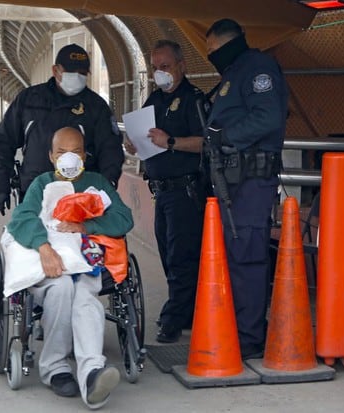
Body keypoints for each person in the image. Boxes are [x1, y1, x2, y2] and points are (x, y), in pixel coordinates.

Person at [6, 127, 133, 410]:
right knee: (63, 288)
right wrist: (44, 247)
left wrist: (86, 226)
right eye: (62, 152)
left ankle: (91, 375)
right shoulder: (41, 184)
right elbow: (22, 219)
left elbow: (123, 219)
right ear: (51, 156)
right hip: (49, 265)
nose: (68, 158)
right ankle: (55, 368)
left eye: (75, 151)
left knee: (85, 294)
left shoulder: (97, 183)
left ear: (84, 155)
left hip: (84, 263)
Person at [205, 19, 288, 359]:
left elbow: (268, 118)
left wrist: (226, 137)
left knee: (248, 255)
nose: (210, 57)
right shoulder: (235, 73)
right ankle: (239, 329)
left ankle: (249, 336)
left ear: (228, 44)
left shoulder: (258, 69)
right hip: (234, 179)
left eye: (212, 51)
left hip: (252, 179)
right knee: (235, 255)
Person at [124, 40, 207, 343]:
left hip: (186, 190)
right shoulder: (154, 100)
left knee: (182, 256)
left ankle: (173, 319)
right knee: (169, 256)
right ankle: (185, 311)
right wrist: (133, 144)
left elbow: (206, 142)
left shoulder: (194, 99)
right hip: (161, 191)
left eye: (166, 67)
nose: (160, 73)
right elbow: (144, 137)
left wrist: (171, 142)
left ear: (182, 66)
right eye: (156, 68)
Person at [0, 43, 124, 215]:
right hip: (34, 194)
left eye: (82, 73)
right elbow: (4, 142)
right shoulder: (29, 100)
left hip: (81, 196)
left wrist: (106, 188)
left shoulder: (96, 106)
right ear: (55, 71)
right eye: (71, 72)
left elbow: (110, 150)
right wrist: (0, 186)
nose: (77, 77)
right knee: (34, 239)